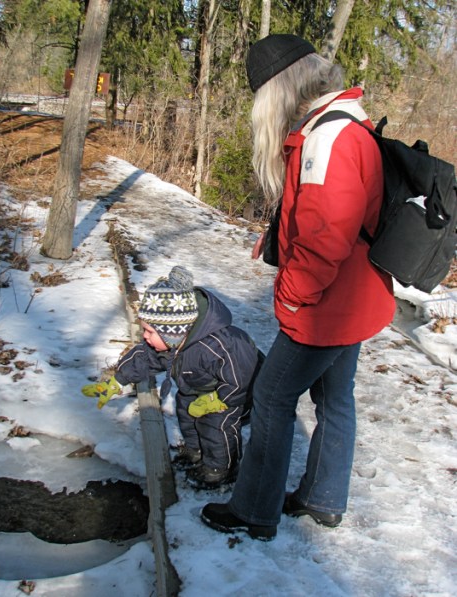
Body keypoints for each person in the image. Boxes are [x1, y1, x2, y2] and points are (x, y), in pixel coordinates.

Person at [201, 34, 396, 540]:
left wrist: (292, 295)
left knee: (270, 397)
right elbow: (332, 214)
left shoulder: (328, 137)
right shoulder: (347, 122)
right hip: (355, 296)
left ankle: (254, 510)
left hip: (327, 303)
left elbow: (326, 236)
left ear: (281, 88)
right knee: (336, 398)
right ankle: (323, 498)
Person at [82, 265, 262, 490]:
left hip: (232, 392)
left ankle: (221, 469)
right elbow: (143, 359)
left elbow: (242, 374)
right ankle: (196, 452)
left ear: (173, 331)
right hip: (196, 386)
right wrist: (116, 381)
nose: (145, 337)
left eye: (150, 331)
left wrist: (220, 400)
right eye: (144, 330)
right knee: (187, 415)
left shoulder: (219, 345)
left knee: (216, 427)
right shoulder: (170, 345)